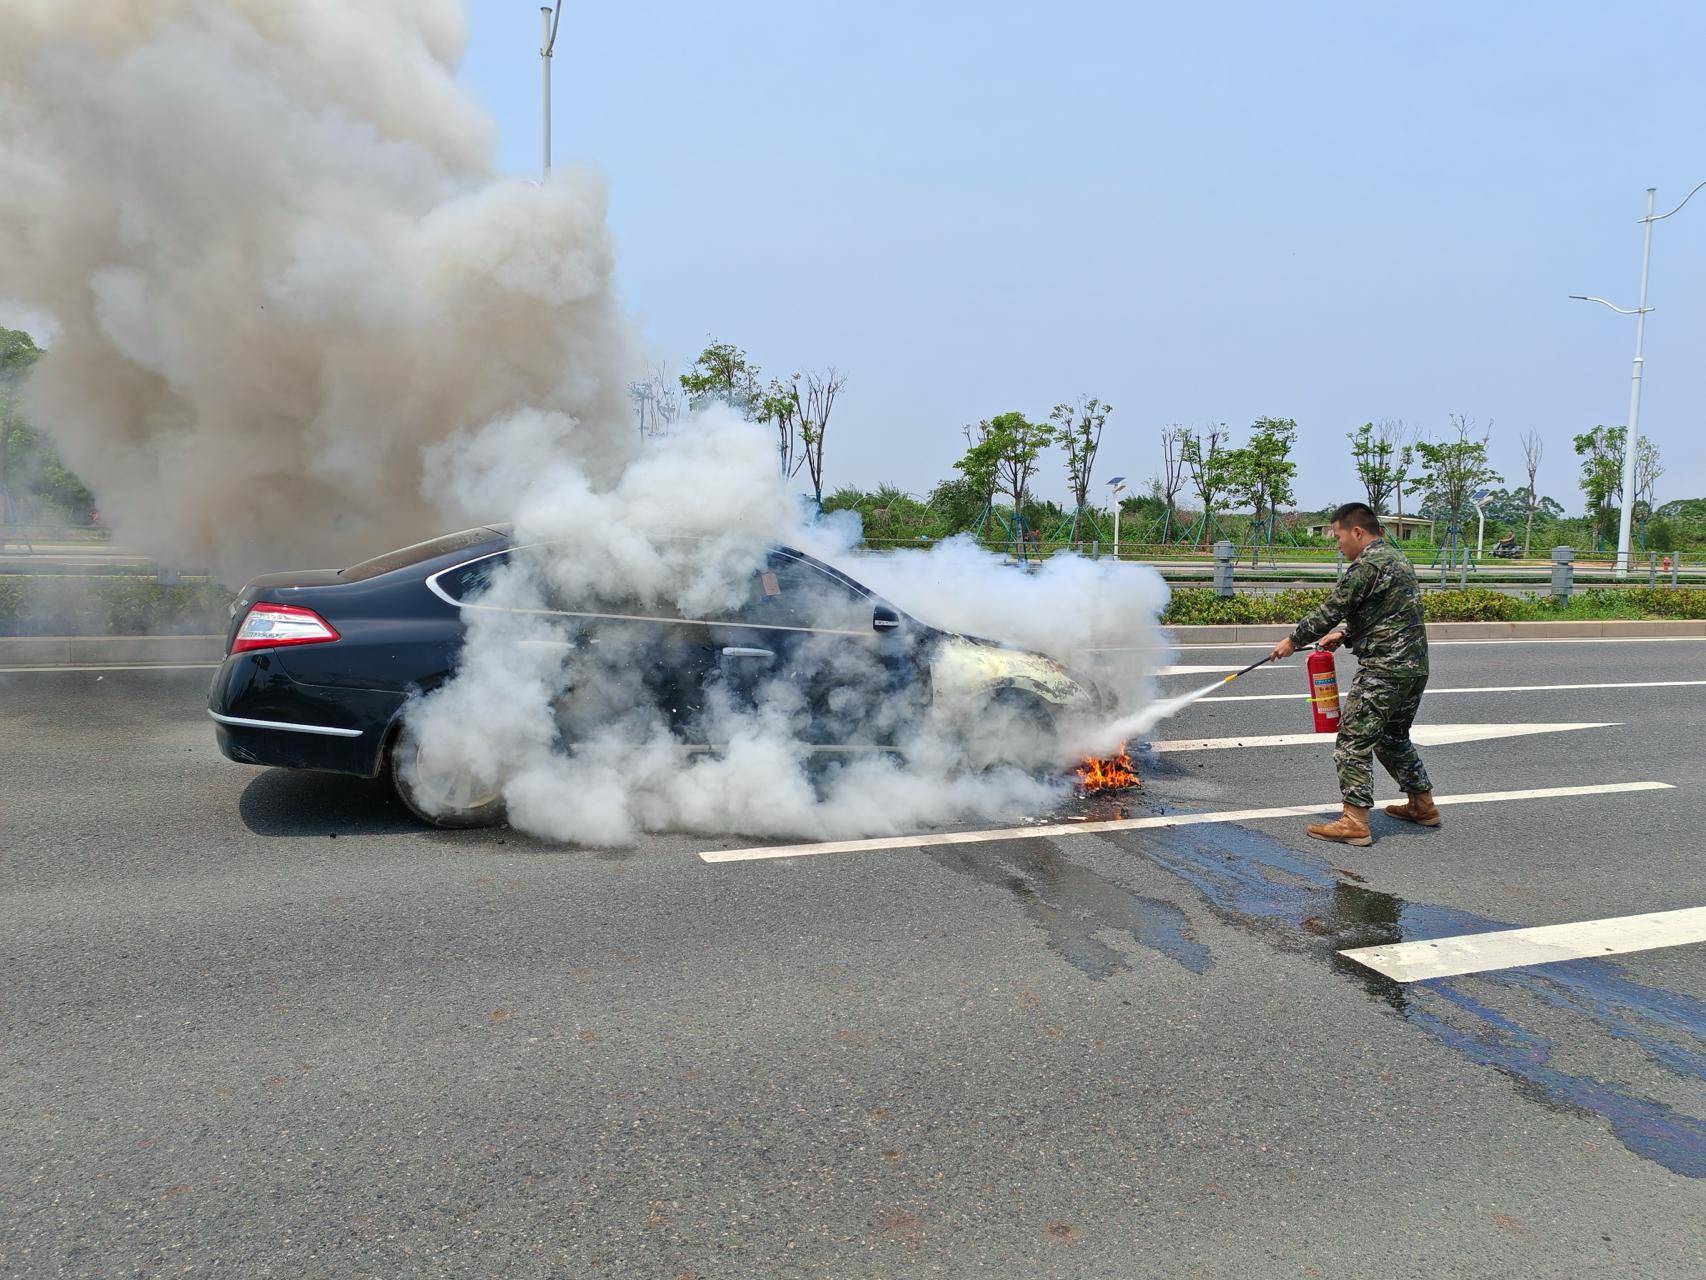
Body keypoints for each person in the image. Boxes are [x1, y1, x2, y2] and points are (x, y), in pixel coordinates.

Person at [1267, 501, 1436, 847]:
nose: (1338, 544)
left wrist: (1292, 640)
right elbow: (1386, 613)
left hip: (1384, 668)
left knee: (1353, 741)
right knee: (1391, 737)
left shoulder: (1366, 565)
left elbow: (1333, 608)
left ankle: (1354, 820)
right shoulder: (1395, 558)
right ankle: (1422, 804)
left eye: (1339, 536)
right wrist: (1344, 635)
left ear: (1357, 532)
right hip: (1413, 667)